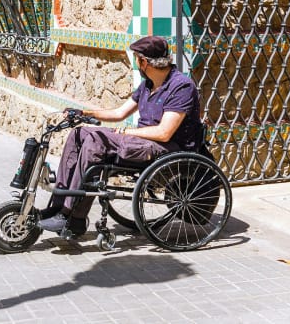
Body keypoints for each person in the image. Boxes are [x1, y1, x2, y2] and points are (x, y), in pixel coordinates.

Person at [37, 35, 203, 235]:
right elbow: (119, 113)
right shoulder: (148, 84)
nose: (136, 63)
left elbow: (164, 133)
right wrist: (85, 113)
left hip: (167, 148)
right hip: (143, 141)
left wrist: (125, 132)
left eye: (136, 59)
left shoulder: (181, 86)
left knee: (95, 144)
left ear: (144, 62)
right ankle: (58, 205)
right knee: (79, 134)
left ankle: (72, 216)